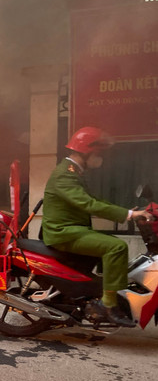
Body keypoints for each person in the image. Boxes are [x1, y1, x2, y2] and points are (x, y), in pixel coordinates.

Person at [41, 126, 152, 327]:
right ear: (87, 151)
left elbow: (93, 199)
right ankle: (108, 304)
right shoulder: (65, 174)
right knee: (116, 247)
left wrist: (128, 212)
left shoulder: (75, 171)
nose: (101, 157)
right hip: (63, 233)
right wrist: (128, 215)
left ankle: (99, 291)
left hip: (74, 229)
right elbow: (88, 204)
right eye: (99, 152)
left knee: (109, 246)